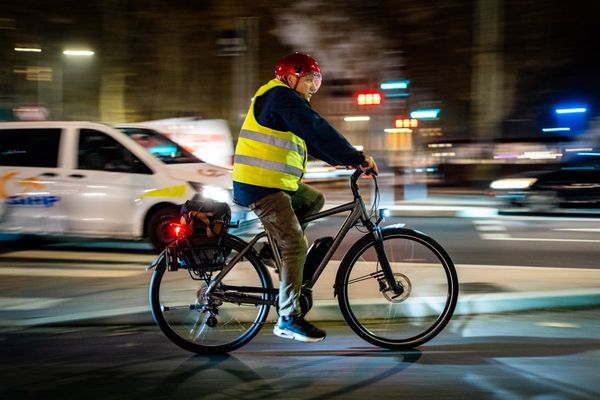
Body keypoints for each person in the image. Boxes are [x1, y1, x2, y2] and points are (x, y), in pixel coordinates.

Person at [232, 52, 378, 343]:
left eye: (317, 80)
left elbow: (314, 142)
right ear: (290, 77)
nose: (314, 86)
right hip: (261, 186)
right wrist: (355, 156)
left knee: (313, 201)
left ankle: (271, 250)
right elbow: (317, 129)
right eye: (309, 79)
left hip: (274, 183)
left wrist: (348, 161)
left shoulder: (287, 103)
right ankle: (288, 318)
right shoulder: (281, 97)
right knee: (296, 246)